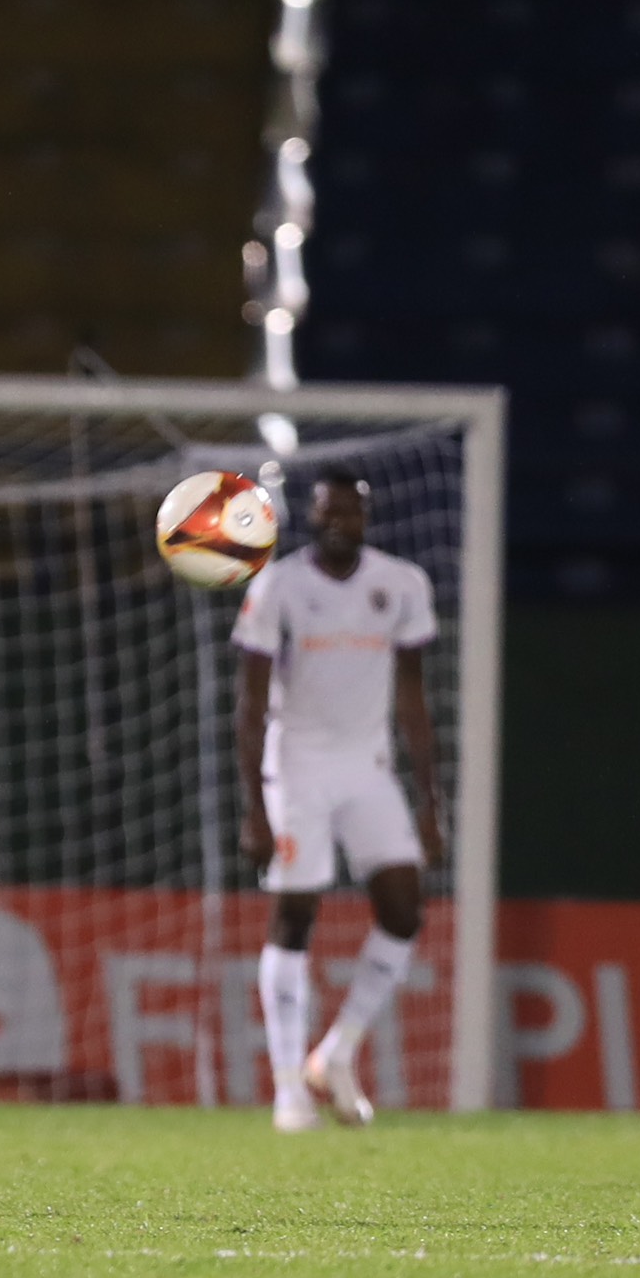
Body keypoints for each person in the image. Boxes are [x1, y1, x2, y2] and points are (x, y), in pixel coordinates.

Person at [231, 469, 444, 1131]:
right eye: (328, 511)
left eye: (350, 512)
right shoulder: (279, 586)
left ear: (367, 516)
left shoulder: (402, 584)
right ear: (311, 515)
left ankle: (338, 1052)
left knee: (405, 908)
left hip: (368, 768)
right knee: (296, 914)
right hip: (296, 768)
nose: (339, 522)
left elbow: (412, 697)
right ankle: (289, 1089)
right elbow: (249, 703)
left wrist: (429, 801)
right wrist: (255, 805)